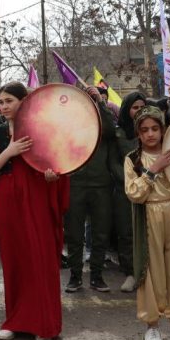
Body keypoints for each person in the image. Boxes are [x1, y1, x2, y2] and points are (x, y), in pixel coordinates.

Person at [0, 81, 70, 340]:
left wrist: (53, 177)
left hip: (37, 197)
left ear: (24, 101)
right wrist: (9, 151)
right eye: (1, 101)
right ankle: (14, 321)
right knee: (13, 261)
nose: (3, 106)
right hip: (7, 201)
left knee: (39, 258)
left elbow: (58, 167)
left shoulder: (42, 129)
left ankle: (44, 323)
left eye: (9, 101)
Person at [124, 105, 170, 340]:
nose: (150, 134)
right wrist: (153, 169)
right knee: (151, 270)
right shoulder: (133, 159)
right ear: (138, 133)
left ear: (163, 130)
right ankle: (152, 326)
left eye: (155, 128)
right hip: (149, 214)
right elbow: (134, 193)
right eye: (144, 130)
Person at [65, 85, 116, 293]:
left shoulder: (101, 121)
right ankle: (75, 276)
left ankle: (97, 276)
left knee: (100, 234)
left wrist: (100, 102)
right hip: (75, 183)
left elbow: (111, 129)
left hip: (101, 184)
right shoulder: (69, 123)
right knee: (74, 234)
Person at [110, 92, 147, 293]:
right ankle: (130, 273)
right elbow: (113, 162)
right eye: (135, 107)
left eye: (142, 107)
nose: (139, 111)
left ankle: (149, 273)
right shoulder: (118, 133)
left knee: (149, 231)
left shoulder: (151, 129)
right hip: (124, 191)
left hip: (148, 188)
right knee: (126, 233)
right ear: (127, 110)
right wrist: (130, 181)